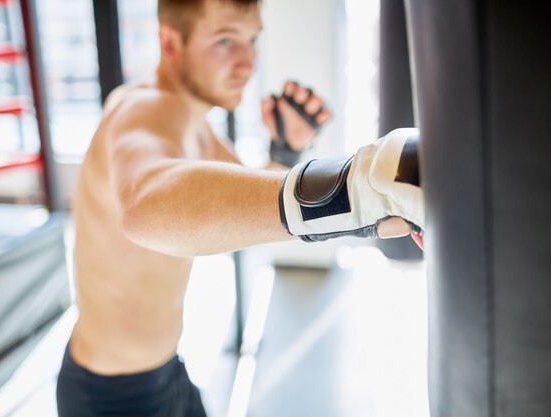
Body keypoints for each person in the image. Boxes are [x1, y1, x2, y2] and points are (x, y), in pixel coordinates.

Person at [56, 0, 424, 416]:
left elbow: (235, 210)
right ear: (170, 43)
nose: (247, 62)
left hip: (166, 371)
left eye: (252, 39)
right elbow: (145, 207)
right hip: (111, 398)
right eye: (225, 40)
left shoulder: (191, 121)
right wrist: (354, 192)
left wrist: (285, 152)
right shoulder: (146, 111)